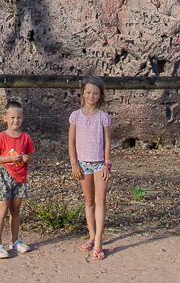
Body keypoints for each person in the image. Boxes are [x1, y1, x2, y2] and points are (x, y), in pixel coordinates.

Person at [69, 76, 111, 260]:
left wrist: (107, 164)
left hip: (100, 163)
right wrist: (74, 163)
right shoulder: (75, 116)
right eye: (88, 93)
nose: (91, 96)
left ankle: (99, 241)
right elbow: (71, 141)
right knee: (89, 201)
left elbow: (108, 142)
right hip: (83, 163)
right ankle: (91, 236)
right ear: (83, 94)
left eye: (95, 93)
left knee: (100, 199)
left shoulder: (103, 117)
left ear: (100, 95)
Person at [0, 99, 35, 258]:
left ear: (23, 118)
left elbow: (30, 155)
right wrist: (10, 159)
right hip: (5, 177)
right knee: (2, 210)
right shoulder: (1, 137)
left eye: (19, 118)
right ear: (5, 118)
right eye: (12, 118)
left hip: (20, 178)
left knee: (15, 210)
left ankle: (15, 240)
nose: (16, 121)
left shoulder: (26, 138)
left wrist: (26, 159)